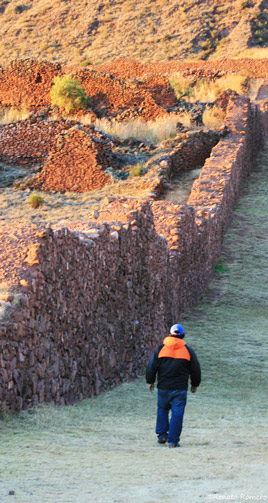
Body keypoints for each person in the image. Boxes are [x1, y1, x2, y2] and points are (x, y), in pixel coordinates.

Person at [146, 323, 201, 448]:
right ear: (182, 335)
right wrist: (194, 384)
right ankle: (173, 441)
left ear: (169, 333)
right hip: (180, 389)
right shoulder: (187, 350)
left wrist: (150, 381)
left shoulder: (161, 349)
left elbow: (151, 366)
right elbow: (195, 369)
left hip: (163, 388)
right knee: (177, 414)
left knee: (162, 409)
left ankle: (162, 435)